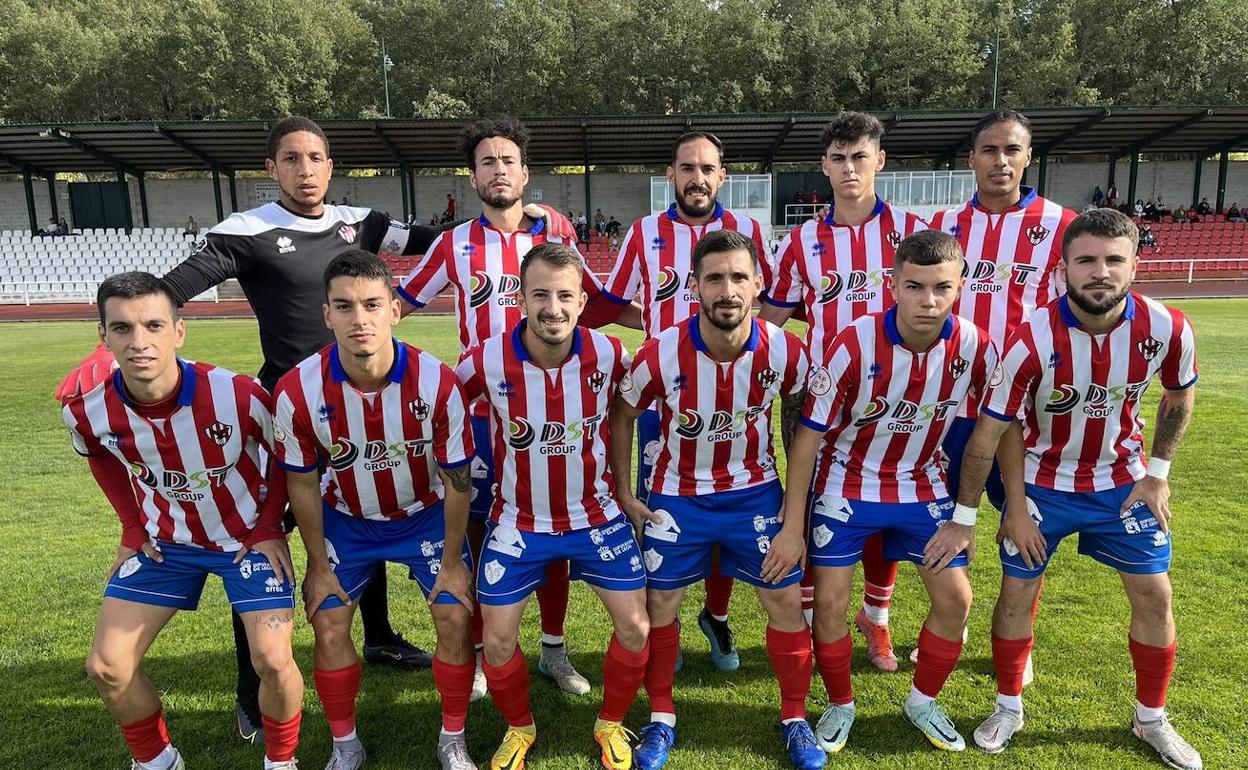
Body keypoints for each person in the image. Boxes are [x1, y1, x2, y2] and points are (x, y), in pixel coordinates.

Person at [57, 115, 576, 745]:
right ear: (271, 169)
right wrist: (109, 349)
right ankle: (255, 688)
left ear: (331, 166)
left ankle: (380, 637)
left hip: (380, 388)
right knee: (260, 541)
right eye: (292, 159)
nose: (307, 170)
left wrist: (532, 218)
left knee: (379, 497)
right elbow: (167, 292)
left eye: (317, 158)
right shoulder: (245, 231)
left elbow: (441, 239)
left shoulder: (361, 222)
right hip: (289, 399)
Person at [956, 209, 1202, 770]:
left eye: (1114, 259)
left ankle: (1151, 719)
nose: (1100, 272)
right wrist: (1004, 509)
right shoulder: (1031, 338)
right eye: (1086, 259)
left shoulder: (1166, 327)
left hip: (1123, 485)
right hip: (1043, 486)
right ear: (1063, 266)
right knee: (1016, 595)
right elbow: (990, 434)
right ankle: (1008, 706)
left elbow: (1178, 396)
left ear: (1135, 265)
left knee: (1155, 596)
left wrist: (1157, 473)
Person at [397, 117, 628, 699]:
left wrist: (655, 322)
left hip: (554, 411)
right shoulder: (454, 244)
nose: (498, 170)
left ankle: (553, 647)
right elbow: (399, 302)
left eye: (508, 161)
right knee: (480, 535)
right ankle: (479, 654)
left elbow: (587, 302)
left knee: (554, 526)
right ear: (472, 176)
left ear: (525, 172)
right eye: (487, 162)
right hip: (481, 415)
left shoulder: (553, 232)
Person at [64, 272, 303, 770]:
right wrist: (132, 526)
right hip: (165, 543)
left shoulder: (236, 394)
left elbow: (287, 454)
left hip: (245, 542)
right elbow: (99, 457)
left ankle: (281, 762)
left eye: (153, 325)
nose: (139, 342)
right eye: (122, 329)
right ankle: (157, 761)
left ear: (179, 331)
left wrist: (267, 526)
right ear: (103, 337)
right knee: (107, 666)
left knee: (274, 661)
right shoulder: (88, 410)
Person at [612, 230, 824, 770]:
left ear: (757, 284)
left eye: (737, 278)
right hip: (675, 500)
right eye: (714, 279)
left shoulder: (786, 350)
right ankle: (661, 717)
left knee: (782, 601)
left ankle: (794, 717)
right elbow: (623, 414)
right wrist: (623, 491)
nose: (727, 290)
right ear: (695, 288)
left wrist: (794, 515)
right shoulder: (662, 351)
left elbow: (804, 419)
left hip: (754, 495)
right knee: (659, 607)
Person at [784, 229, 996, 754]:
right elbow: (808, 437)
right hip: (846, 481)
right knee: (829, 605)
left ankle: (922, 699)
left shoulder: (973, 343)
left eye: (941, 288)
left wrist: (966, 514)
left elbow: (1000, 425)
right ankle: (840, 703)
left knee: (957, 599)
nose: (928, 301)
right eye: (915, 287)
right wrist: (793, 526)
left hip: (921, 480)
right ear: (893, 285)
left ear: (960, 286)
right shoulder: (853, 341)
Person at [273, 251, 477, 770]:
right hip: (346, 517)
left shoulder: (437, 383)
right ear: (327, 315)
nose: (358, 318)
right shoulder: (297, 389)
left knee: (454, 616)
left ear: (393, 309)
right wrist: (317, 565)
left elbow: (457, 484)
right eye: (344, 306)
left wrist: (453, 561)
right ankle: (346, 745)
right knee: (329, 622)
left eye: (371, 304)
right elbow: (300, 482)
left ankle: (452, 738)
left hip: (425, 513)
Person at [456, 243, 650, 770]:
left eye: (565, 295)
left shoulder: (610, 355)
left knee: (636, 628)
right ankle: (520, 729)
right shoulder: (483, 361)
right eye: (540, 294)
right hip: (517, 521)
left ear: (583, 301)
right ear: (520, 298)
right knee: (495, 641)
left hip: (597, 516)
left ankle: (610, 723)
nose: (553, 307)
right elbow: (441, 416)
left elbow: (635, 410)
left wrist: (628, 493)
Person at [600, 130, 776, 673]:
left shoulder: (747, 229)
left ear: (721, 176)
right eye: (687, 168)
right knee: (669, 519)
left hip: (732, 398)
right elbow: (612, 302)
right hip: (660, 407)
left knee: (730, 508)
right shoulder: (645, 232)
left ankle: (716, 617)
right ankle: (665, 623)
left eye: (708, 168)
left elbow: (762, 303)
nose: (697, 178)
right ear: (670, 175)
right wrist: (657, 333)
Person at [759, 111, 928, 668]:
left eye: (860, 156)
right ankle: (808, 620)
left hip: (901, 394)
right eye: (838, 157)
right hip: (820, 394)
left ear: (879, 160)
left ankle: (876, 617)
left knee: (886, 505)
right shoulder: (802, 240)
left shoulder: (910, 233)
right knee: (806, 505)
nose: (850, 167)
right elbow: (773, 320)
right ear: (824, 167)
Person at [926, 109, 1078, 673]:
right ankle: (954, 620)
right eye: (989, 150)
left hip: (1026, 411)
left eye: (1012, 150)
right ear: (972, 159)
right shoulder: (941, 222)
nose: (1000, 161)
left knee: (1023, 522)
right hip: (945, 405)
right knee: (943, 518)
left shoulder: (1062, 223)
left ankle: (1019, 636)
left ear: (1027, 157)